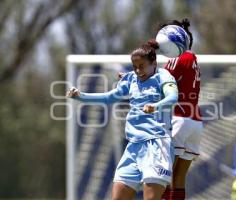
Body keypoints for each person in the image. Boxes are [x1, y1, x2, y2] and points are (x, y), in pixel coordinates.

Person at [66, 40, 179, 200]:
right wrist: (81, 96)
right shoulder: (131, 79)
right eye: (135, 67)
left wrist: (155, 106)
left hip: (157, 144)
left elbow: (173, 97)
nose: (138, 71)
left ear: (154, 63)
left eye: (142, 66)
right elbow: (109, 97)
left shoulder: (163, 76)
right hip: (133, 147)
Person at [159, 18, 203, 200]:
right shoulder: (192, 59)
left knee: (164, 176)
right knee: (179, 178)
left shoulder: (179, 58)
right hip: (195, 122)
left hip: (178, 119)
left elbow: (160, 84)